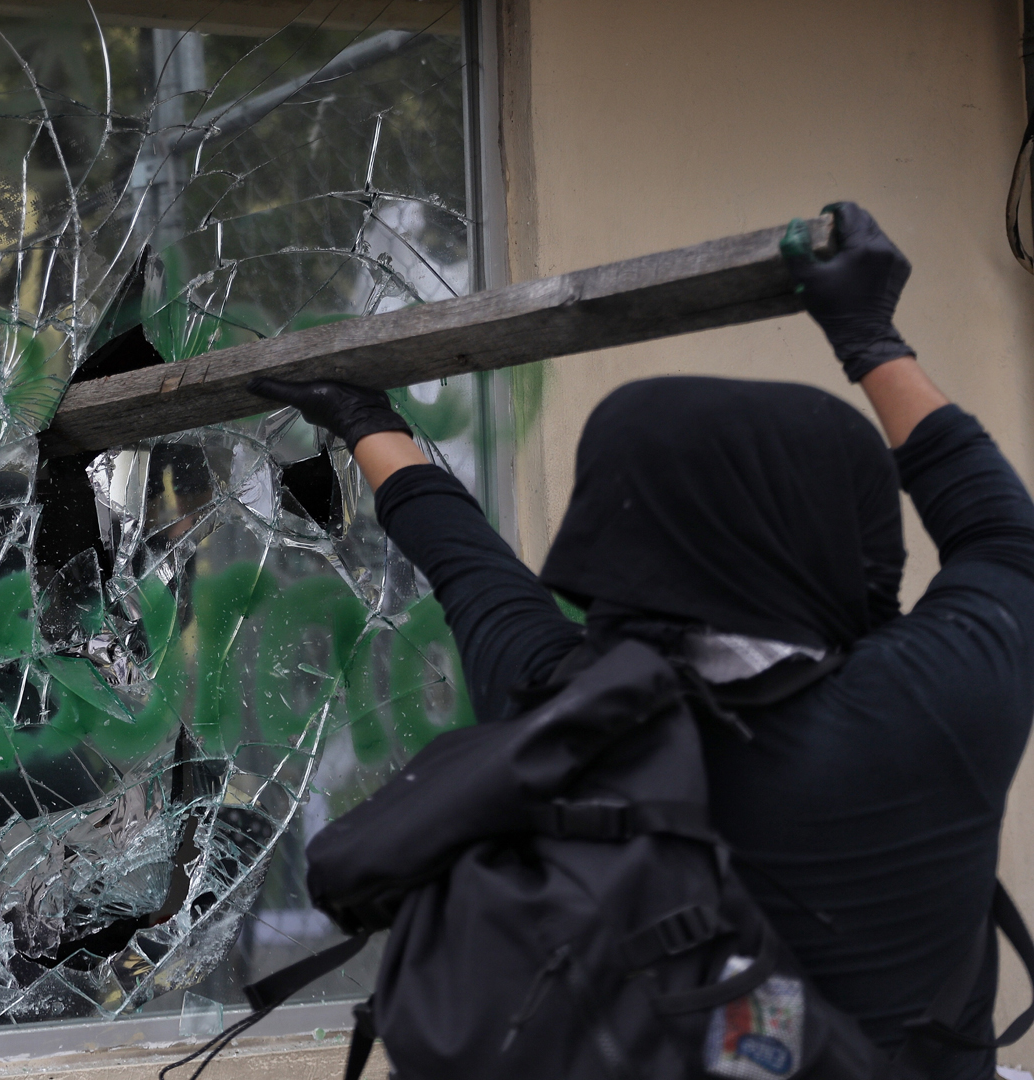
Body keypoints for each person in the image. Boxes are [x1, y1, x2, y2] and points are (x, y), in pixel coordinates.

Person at [250, 202, 1034, 1080]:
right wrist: (866, 332)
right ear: (841, 529)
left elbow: (467, 566)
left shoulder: (560, 707)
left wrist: (361, 417)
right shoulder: (929, 709)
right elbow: (1005, 539)